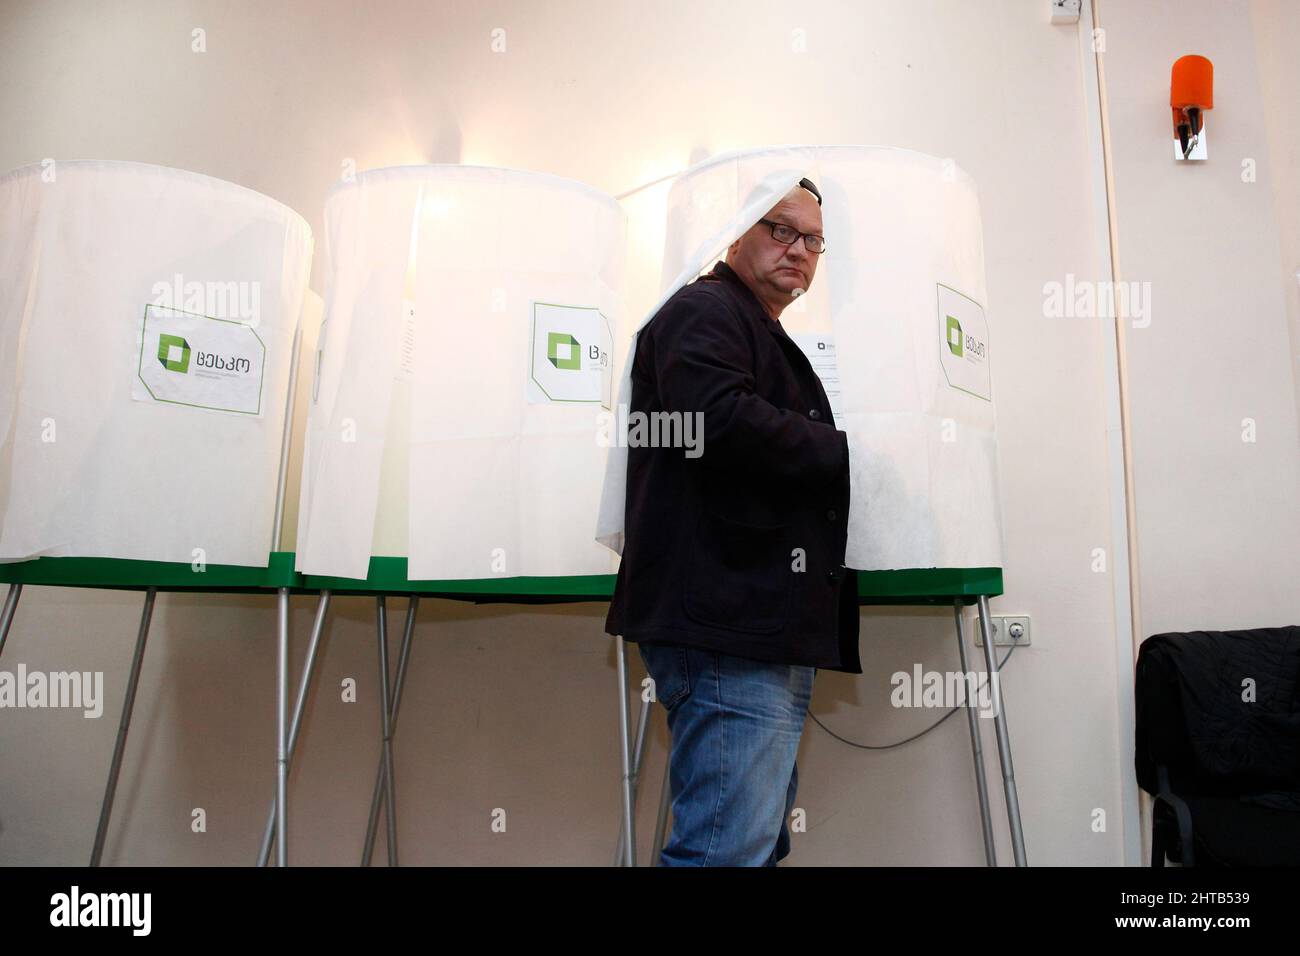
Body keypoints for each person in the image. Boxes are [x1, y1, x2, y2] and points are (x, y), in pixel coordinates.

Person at [605, 177, 861, 866]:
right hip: (726, 626)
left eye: (813, 240)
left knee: (749, 847)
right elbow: (714, 421)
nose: (798, 249)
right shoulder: (704, 309)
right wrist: (849, 451)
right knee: (724, 854)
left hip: (749, 625)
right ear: (736, 230)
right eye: (781, 229)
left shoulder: (753, 326)